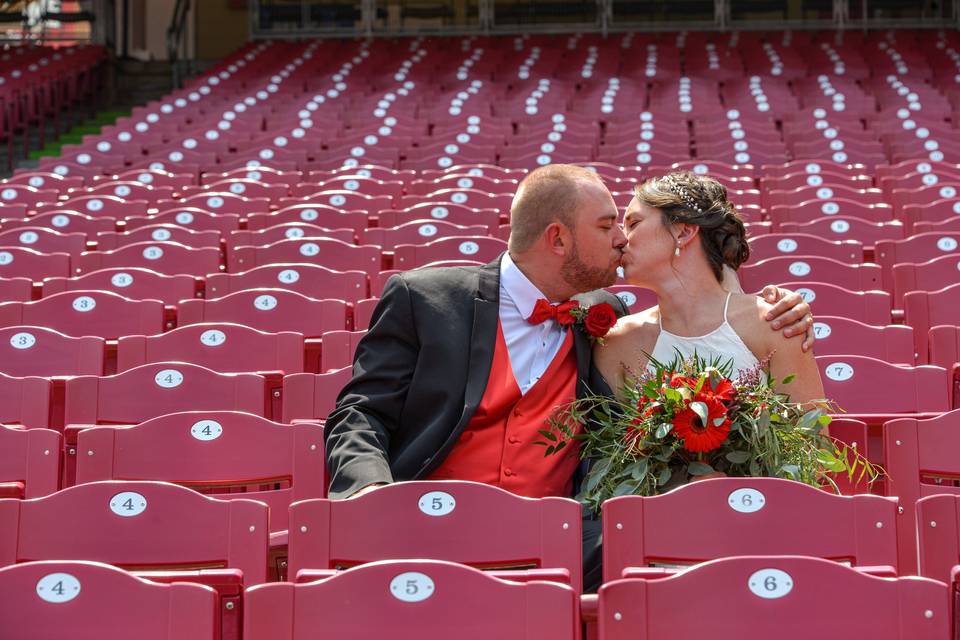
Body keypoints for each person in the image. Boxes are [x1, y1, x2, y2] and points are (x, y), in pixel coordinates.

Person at [324, 164, 815, 592]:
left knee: (649, 551)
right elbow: (360, 411)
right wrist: (369, 494)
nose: (621, 239)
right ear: (557, 239)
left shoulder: (605, 315)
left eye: (628, 224)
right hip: (426, 519)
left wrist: (780, 305)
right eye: (607, 226)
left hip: (559, 538)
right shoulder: (426, 298)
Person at [595, 171, 825, 407]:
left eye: (633, 223)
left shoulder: (774, 324)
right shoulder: (616, 342)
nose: (622, 240)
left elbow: (814, 438)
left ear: (683, 232)